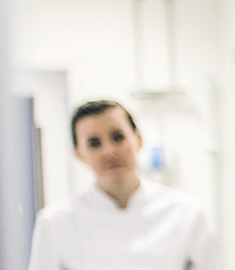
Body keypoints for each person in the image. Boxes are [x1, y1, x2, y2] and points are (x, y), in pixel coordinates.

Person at [28, 100, 216, 270]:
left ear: (138, 140)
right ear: (79, 154)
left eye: (118, 137)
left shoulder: (185, 214)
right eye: (94, 143)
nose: (109, 151)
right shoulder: (56, 223)